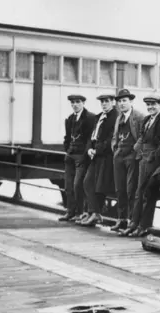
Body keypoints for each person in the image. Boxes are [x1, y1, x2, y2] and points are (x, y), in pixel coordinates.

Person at [121, 94, 160, 237]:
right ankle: (134, 223)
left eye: (154, 104)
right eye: (148, 105)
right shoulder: (147, 119)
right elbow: (142, 137)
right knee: (139, 192)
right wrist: (137, 150)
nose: (150, 107)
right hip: (142, 158)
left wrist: (151, 157)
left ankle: (144, 225)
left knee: (146, 193)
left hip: (152, 161)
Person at [110, 89, 146, 232]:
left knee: (131, 189)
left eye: (124, 100)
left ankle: (132, 220)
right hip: (119, 156)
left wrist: (136, 150)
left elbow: (143, 136)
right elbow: (115, 136)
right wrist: (115, 148)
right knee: (119, 189)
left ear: (131, 101)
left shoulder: (139, 116)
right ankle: (121, 219)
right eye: (119, 101)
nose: (122, 103)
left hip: (132, 157)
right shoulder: (119, 118)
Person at [80, 94, 118, 227]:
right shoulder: (99, 117)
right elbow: (92, 136)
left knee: (99, 186)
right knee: (88, 182)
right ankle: (93, 212)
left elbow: (112, 138)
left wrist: (97, 150)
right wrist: (90, 148)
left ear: (113, 102)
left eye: (107, 101)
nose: (104, 104)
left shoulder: (115, 117)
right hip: (96, 155)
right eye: (102, 102)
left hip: (106, 156)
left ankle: (94, 213)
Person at [58, 94, 96, 222]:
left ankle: (80, 213)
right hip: (70, 155)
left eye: (78, 102)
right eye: (73, 103)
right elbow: (67, 137)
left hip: (81, 156)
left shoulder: (90, 118)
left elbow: (90, 138)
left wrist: (85, 154)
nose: (75, 105)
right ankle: (70, 211)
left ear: (83, 103)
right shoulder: (70, 119)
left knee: (77, 184)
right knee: (68, 185)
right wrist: (67, 150)